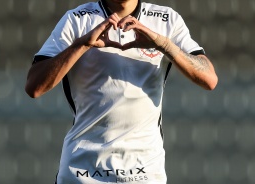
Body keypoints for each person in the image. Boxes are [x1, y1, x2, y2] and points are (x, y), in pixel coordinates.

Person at [25, 0, 218, 183]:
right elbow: (34, 86)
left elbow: (209, 78)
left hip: (145, 171)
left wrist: (164, 44)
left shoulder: (166, 19)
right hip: (82, 171)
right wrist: (82, 44)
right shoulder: (77, 19)